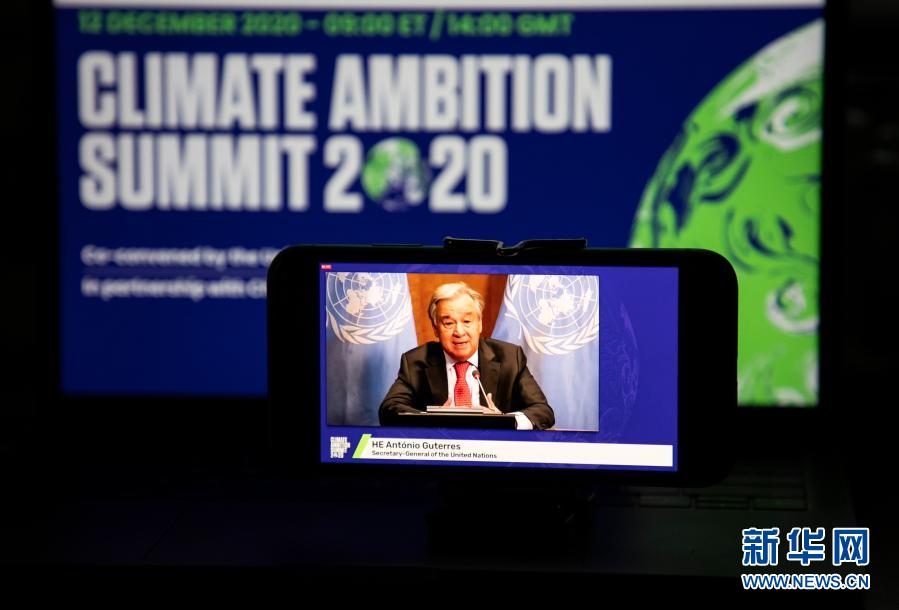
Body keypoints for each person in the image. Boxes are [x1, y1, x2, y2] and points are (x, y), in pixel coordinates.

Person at [378, 281, 554, 430]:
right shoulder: (416, 361)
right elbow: (389, 410)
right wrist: (433, 419)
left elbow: (542, 411)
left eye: (467, 321)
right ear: (436, 329)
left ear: (480, 324)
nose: (459, 332)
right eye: (448, 323)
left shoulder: (509, 357)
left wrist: (504, 421)